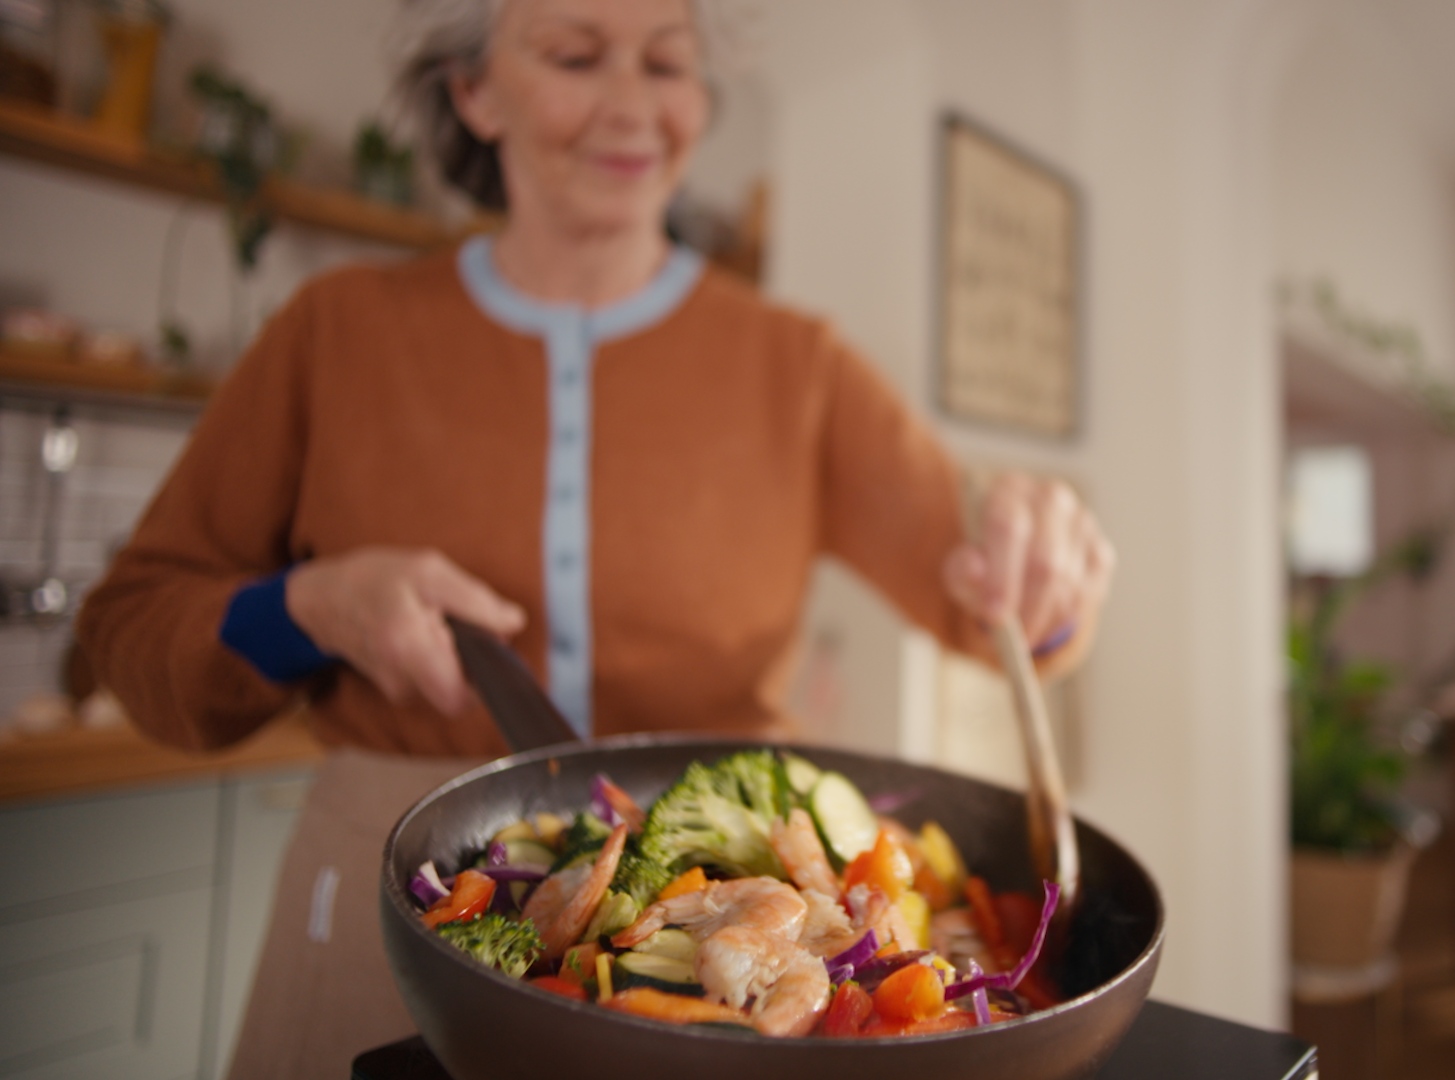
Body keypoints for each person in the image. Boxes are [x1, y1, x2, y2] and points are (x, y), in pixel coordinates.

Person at [74, 0, 1113, 1074]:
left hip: (733, 952)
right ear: (473, 91)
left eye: (667, 62)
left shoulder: (797, 367)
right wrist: (307, 606)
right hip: (393, 927)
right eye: (575, 54)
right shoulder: (333, 332)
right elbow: (130, 629)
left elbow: (993, 606)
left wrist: (1045, 573)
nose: (632, 105)